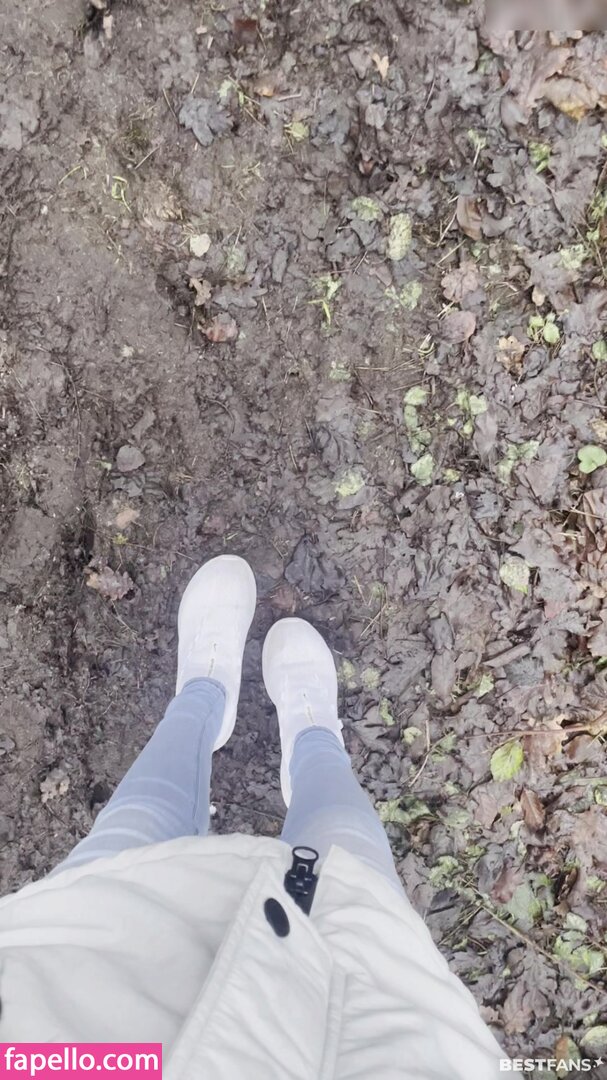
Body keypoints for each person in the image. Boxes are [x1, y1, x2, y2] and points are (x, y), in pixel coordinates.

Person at [0, 555, 503, 1077]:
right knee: (348, 865)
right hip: (370, 1028)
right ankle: (313, 740)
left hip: (73, 1012)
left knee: (130, 841)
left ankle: (204, 696)